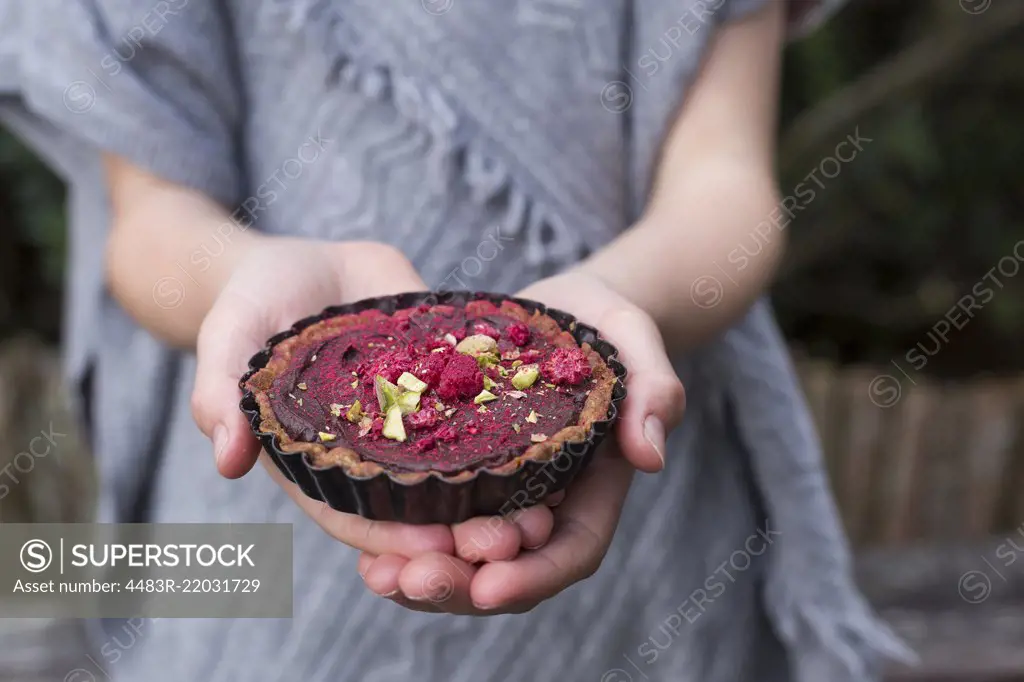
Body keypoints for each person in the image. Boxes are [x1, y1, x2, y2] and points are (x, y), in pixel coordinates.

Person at [0, 0, 909, 679]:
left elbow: (726, 191)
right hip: (263, 542)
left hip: (646, 528)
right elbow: (151, 223)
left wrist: (616, 297)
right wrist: (240, 280)